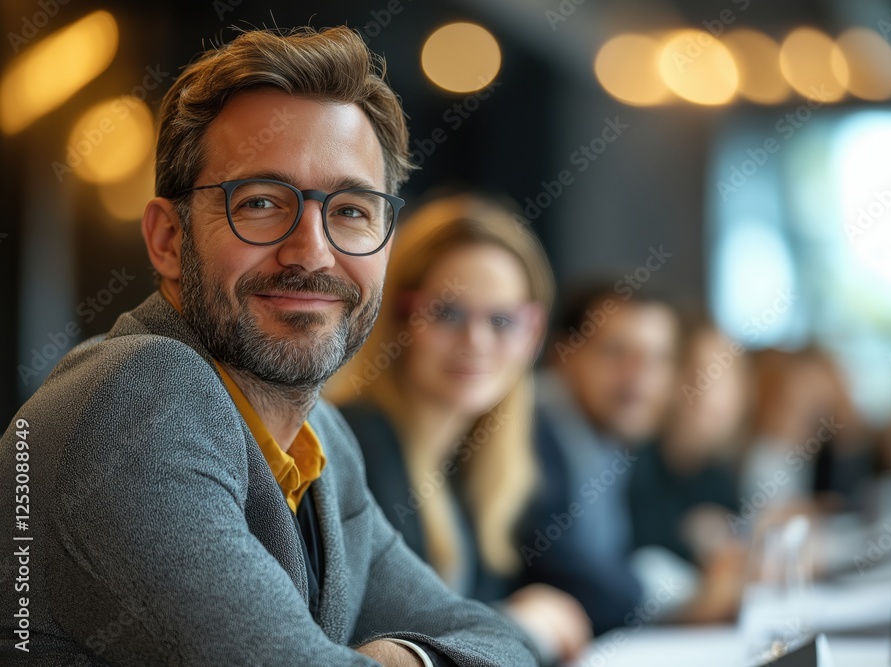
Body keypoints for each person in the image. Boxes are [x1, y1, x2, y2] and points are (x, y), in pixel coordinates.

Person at [0, 28, 536, 666]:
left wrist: (401, 658)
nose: (312, 253)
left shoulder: (323, 439)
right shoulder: (136, 399)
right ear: (168, 239)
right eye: (259, 203)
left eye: (351, 211)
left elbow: (503, 644)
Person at [327, 195, 592, 664]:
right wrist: (524, 624)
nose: (476, 342)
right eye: (447, 313)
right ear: (397, 317)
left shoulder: (476, 461)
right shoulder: (360, 438)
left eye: (502, 320)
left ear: (532, 333)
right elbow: (385, 640)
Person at [517, 284, 699, 635]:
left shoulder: (613, 438)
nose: (638, 377)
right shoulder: (530, 429)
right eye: (616, 352)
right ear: (563, 355)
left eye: (658, 358)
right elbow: (563, 574)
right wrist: (688, 600)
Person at [629, 322, 749, 623]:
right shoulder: (633, 461)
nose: (714, 395)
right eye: (702, 377)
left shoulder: (719, 473)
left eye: (726, 379)